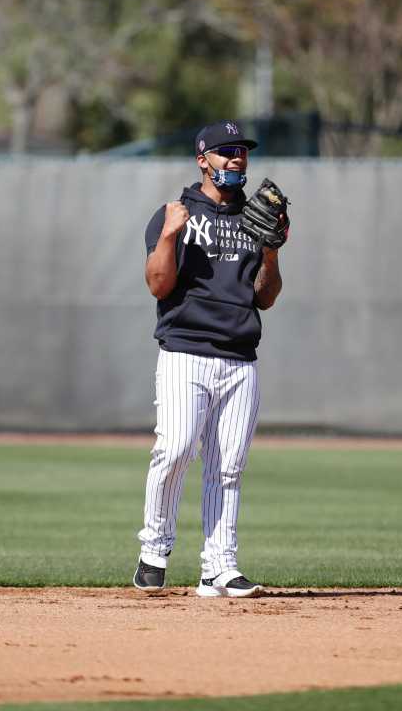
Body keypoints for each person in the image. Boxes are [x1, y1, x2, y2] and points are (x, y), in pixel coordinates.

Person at [133, 120, 285, 598]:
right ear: (203, 159)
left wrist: (272, 251)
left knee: (228, 468)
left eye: (242, 151)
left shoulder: (254, 217)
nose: (236, 158)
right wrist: (168, 237)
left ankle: (219, 567)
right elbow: (158, 285)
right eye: (226, 151)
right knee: (175, 448)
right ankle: (154, 550)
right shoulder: (174, 213)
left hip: (240, 356)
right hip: (184, 350)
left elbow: (265, 298)